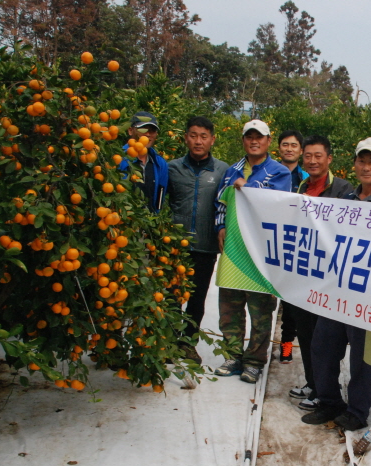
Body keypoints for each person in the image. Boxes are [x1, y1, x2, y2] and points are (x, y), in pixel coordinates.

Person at [302, 138, 371, 431]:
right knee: (322, 346)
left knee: (365, 356)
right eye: (361, 161)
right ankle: (329, 402)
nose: (366, 167)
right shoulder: (346, 201)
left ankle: (358, 411)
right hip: (338, 291)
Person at [215, 119, 292, 383]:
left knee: (260, 311)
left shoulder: (280, 172)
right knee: (229, 306)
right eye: (249, 136)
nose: (254, 141)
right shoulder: (231, 170)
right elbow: (221, 203)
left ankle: (255, 361)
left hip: (260, 254)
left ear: (269, 141)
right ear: (243, 140)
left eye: (259, 137)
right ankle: (232, 355)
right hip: (234, 249)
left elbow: (278, 205)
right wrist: (220, 227)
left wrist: (247, 187)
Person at [287, 135, 353, 411]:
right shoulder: (302, 185)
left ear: (329, 159)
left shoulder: (341, 189)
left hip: (328, 278)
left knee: (323, 338)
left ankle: (327, 389)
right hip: (304, 273)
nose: (312, 161)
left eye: (318, 156)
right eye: (308, 156)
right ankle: (313, 382)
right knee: (304, 331)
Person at [165, 116, 229, 363]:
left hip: (205, 247)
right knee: (171, 295)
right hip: (174, 246)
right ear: (185, 138)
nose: (198, 141)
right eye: (193, 135)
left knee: (197, 298)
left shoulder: (222, 170)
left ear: (212, 139)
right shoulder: (172, 168)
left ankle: (187, 344)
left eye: (204, 136)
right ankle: (169, 344)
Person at [276, 130, 309, 365]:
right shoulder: (269, 173)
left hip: (295, 247)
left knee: (290, 307)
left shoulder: (306, 178)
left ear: (300, 151)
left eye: (294, 145)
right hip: (269, 243)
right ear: (278, 148)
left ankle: (286, 347)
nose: (289, 149)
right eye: (285, 144)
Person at [119, 111, 168, 212]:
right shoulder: (118, 159)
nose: (148, 134)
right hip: (122, 223)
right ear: (130, 131)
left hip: (149, 222)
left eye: (152, 130)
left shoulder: (160, 164)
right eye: (144, 129)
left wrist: (156, 216)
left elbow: (160, 195)